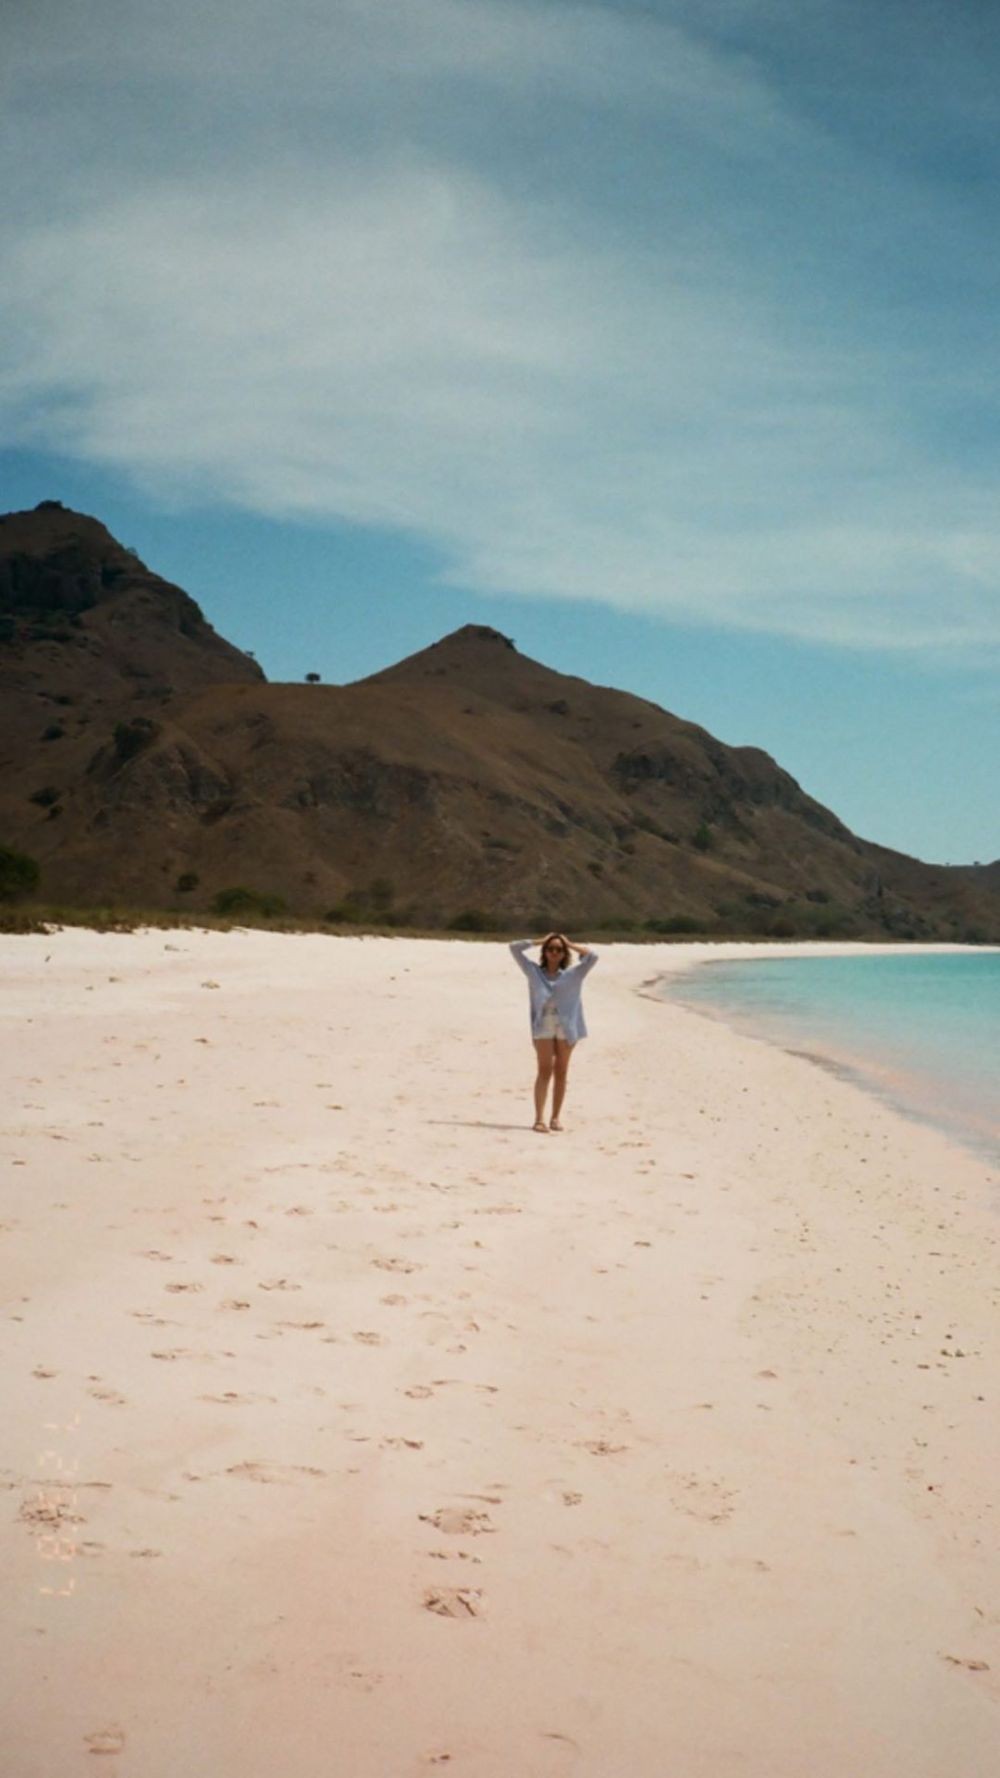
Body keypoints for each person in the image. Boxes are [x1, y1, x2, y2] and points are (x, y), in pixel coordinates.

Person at [508, 932, 598, 1132]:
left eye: (559, 949)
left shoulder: (574, 974)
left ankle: (555, 1118)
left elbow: (593, 957)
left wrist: (569, 943)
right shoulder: (533, 971)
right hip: (544, 1025)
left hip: (567, 1026)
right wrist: (542, 939)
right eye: (550, 949)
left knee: (561, 1071)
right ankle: (539, 1119)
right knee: (544, 1070)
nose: (554, 952)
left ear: (564, 953)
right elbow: (514, 947)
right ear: (545, 952)